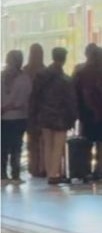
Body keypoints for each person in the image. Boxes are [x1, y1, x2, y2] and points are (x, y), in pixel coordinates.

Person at [30, 48, 78, 185]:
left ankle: (48, 171)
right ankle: (53, 173)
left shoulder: (41, 75)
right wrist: (73, 117)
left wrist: (33, 115)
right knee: (58, 145)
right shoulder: (66, 80)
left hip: (44, 115)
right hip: (61, 117)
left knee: (47, 144)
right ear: (64, 59)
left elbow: (34, 97)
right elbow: (71, 101)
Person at [73, 45, 102, 181]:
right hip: (99, 113)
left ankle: (86, 170)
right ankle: (101, 170)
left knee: (87, 143)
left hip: (87, 114)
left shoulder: (81, 71)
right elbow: (86, 93)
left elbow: (76, 93)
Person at [1, 51, 33, 184]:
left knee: (2, 146)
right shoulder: (25, 79)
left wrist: (4, 108)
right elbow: (27, 97)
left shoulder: (1, 77)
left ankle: (2, 175)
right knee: (16, 146)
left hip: (2, 117)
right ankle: (15, 175)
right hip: (19, 117)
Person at [24, 43, 46, 178]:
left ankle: (33, 167)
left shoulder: (25, 70)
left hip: (28, 110)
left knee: (31, 141)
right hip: (42, 110)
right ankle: (42, 167)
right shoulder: (44, 71)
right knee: (43, 141)